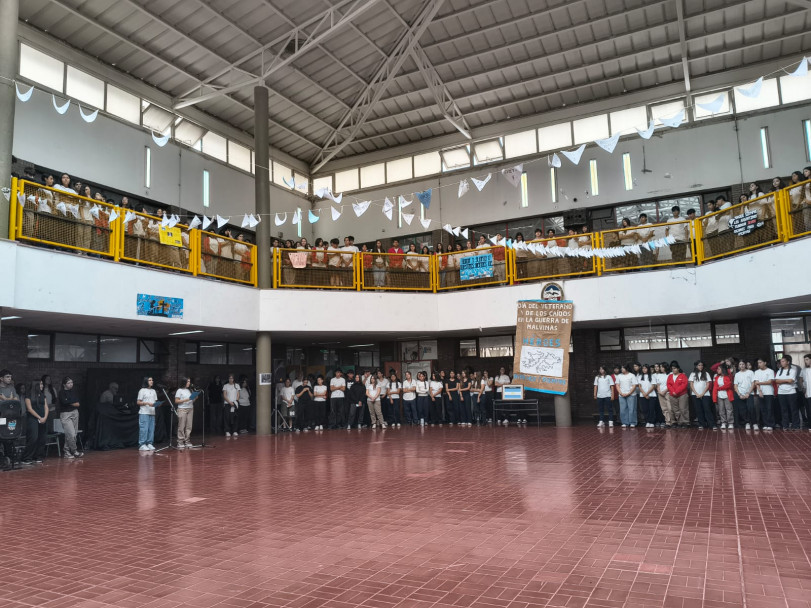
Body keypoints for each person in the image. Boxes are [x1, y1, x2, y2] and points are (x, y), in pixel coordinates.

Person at [21, 379, 49, 465]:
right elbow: (29, 409)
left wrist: (45, 417)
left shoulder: (42, 395)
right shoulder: (28, 395)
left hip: (43, 418)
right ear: (35, 385)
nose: (42, 386)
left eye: (42, 384)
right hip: (32, 419)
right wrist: (39, 417)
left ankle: (38, 456)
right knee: (33, 438)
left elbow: (46, 407)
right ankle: (26, 457)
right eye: (40, 384)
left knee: (42, 438)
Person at [57, 376, 83, 459]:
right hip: (65, 414)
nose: (71, 384)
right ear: (64, 384)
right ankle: (74, 451)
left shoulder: (74, 391)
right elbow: (64, 402)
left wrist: (69, 402)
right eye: (69, 383)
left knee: (74, 433)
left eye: (72, 382)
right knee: (71, 433)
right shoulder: (61, 392)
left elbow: (78, 403)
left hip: (75, 413)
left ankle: (67, 452)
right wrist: (72, 402)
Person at [775, 355, 800, 430]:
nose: (781, 363)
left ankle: (796, 425)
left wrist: (781, 381)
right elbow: (776, 381)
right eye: (781, 361)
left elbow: (791, 381)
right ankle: (785, 425)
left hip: (791, 392)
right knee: (783, 409)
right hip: (781, 392)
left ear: (788, 362)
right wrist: (786, 380)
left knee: (793, 409)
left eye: (783, 361)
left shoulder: (792, 370)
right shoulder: (779, 371)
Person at [689, 361, 715, 430]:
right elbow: (691, 385)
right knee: (698, 410)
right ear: (696, 366)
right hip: (695, 395)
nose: (701, 366)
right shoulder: (692, 374)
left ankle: (712, 424)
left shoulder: (706, 373)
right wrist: (697, 394)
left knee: (707, 409)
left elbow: (708, 385)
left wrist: (702, 394)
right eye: (699, 365)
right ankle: (701, 424)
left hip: (705, 394)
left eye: (702, 365)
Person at [753, 357, 776, 431]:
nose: (759, 364)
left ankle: (771, 424)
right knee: (763, 409)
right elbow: (755, 382)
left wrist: (759, 383)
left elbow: (769, 382)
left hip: (769, 392)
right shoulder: (757, 372)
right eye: (758, 363)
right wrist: (759, 391)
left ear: (765, 363)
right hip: (760, 392)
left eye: (760, 362)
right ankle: (765, 424)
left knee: (769, 408)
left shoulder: (770, 371)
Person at [137, 377, 158, 451]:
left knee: (151, 429)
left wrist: (157, 404)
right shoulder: (142, 390)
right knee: (144, 429)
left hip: (152, 412)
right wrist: (147, 403)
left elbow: (155, 402)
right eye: (150, 380)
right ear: (146, 381)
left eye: (152, 380)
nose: (151, 381)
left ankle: (149, 443)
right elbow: (138, 402)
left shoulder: (153, 391)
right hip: (144, 412)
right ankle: (142, 444)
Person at [174, 377, 197, 448]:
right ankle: (180, 441)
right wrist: (186, 399)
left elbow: (191, 400)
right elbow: (176, 401)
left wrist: (195, 397)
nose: (189, 383)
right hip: (182, 409)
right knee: (181, 426)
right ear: (184, 382)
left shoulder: (189, 390)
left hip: (190, 409)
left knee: (189, 426)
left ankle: (187, 441)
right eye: (188, 381)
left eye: (189, 381)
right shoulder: (179, 390)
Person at [734, 360, 756, 430]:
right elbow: (735, 385)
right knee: (742, 410)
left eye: (743, 364)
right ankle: (747, 423)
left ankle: (754, 423)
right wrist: (739, 394)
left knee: (751, 408)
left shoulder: (750, 372)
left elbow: (753, 383)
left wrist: (748, 393)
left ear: (745, 365)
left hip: (749, 393)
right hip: (740, 394)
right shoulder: (737, 374)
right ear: (738, 366)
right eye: (740, 364)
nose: (742, 366)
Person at [712, 363, 734, 430]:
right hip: (719, 396)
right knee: (721, 410)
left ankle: (730, 423)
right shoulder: (717, 378)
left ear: (723, 369)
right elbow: (715, 388)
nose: (717, 370)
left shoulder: (728, 376)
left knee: (729, 409)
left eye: (719, 369)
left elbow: (728, 385)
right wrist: (714, 398)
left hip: (727, 395)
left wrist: (720, 388)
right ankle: (723, 422)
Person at [638, 364, 657, 428]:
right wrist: (644, 394)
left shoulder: (652, 376)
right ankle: (647, 421)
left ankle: (652, 422)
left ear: (648, 369)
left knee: (651, 409)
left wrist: (647, 393)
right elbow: (639, 386)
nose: (644, 370)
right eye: (643, 368)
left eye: (645, 368)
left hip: (651, 395)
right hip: (643, 395)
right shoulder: (640, 376)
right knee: (645, 409)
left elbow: (653, 386)